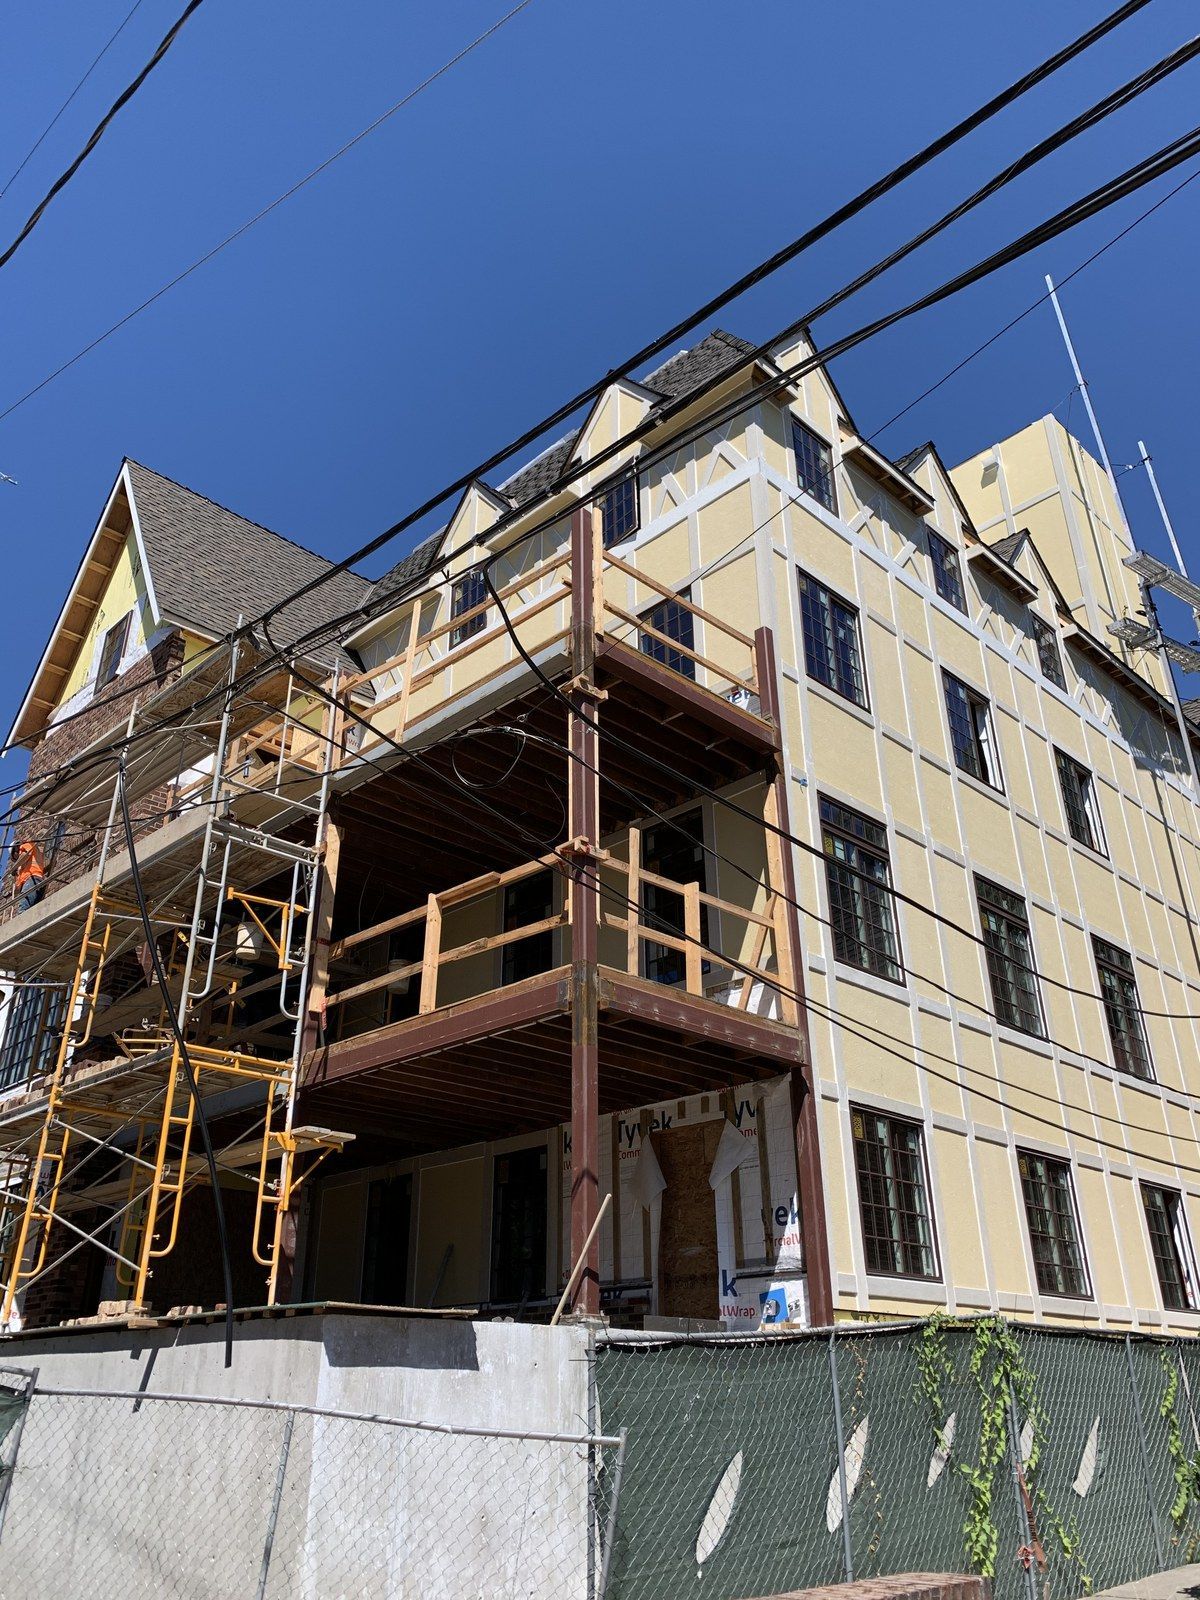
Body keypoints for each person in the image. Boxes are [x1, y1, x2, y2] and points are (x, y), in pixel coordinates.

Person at [10, 840, 45, 912]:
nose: (17, 859)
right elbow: (17, 889)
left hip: (33, 878)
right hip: (31, 882)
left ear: (16, 848)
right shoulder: (21, 870)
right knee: (31, 910)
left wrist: (15, 867)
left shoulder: (26, 844)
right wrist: (11, 892)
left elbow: (26, 854)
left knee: (23, 908)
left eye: (15, 856)